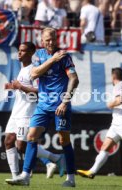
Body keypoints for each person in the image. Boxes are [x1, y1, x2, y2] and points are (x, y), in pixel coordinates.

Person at [6, 28, 79, 187]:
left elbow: (74, 79)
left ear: (56, 38)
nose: (50, 42)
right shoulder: (39, 55)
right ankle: (25, 176)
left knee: (63, 140)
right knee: (31, 137)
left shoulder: (64, 56)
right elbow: (34, 74)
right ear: (42, 40)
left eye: (52, 39)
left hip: (60, 105)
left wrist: (65, 102)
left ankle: (71, 179)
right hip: (43, 105)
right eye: (47, 40)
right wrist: (52, 60)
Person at [4, 42, 65, 182]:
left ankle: (55, 158)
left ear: (31, 53)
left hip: (27, 111)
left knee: (21, 145)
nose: (19, 53)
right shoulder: (22, 68)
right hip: (16, 111)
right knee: (8, 141)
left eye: (23, 51)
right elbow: (22, 88)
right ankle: (16, 177)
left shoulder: (34, 70)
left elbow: (40, 92)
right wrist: (13, 86)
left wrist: (21, 87)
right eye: (19, 50)